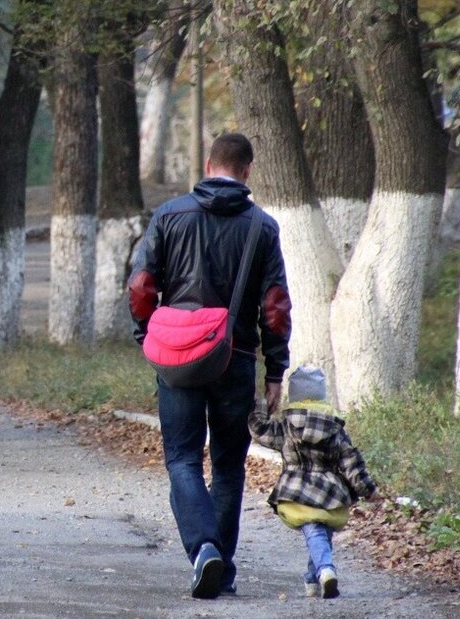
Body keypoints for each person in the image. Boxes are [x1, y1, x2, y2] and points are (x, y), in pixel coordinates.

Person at [126, 132, 292, 599]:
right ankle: (222, 563)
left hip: (176, 358)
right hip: (234, 359)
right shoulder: (262, 227)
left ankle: (204, 551)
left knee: (181, 458)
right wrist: (275, 370)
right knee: (228, 466)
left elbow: (141, 287)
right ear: (247, 171)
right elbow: (275, 306)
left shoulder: (169, 214)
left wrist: (147, 337)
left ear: (207, 164)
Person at [248, 366, 378, 599]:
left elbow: (260, 431)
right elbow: (351, 461)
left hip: (297, 490)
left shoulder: (287, 426)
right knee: (321, 531)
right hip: (329, 492)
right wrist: (367, 489)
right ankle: (313, 579)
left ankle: (326, 570)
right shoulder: (335, 427)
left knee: (314, 531)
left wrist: (261, 404)